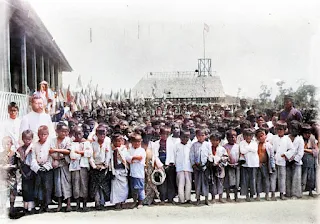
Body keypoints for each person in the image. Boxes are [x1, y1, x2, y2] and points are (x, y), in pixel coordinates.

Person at [49, 122, 72, 212]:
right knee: (58, 185)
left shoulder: (67, 140)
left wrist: (56, 150)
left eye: (66, 131)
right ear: (57, 131)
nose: (64, 133)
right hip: (56, 165)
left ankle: (68, 204)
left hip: (65, 165)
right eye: (62, 131)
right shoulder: (53, 140)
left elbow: (68, 151)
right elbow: (51, 152)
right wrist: (58, 155)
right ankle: (59, 204)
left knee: (67, 184)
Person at [69, 126, 93, 212]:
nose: (78, 136)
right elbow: (72, 156)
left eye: (79, 133)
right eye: (76, 134)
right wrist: (82, 154)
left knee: (84, 185)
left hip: (84, 166)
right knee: (76, 185)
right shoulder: (72, 144)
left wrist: (79, 153)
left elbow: (89, 153)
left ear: (83, 133)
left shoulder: (87, 143)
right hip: (75, 167)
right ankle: (77, 204)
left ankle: (85, 204)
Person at [30, 125, 53, 213]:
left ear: (47, 134)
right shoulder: (35, 145)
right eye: (40, 135)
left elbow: (51, 157)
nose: (42, 136)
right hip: (38, 169)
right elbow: (33, 158)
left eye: (44, 134)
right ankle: (40, 204)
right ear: (38, 135)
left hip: (47, 169)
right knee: (38, 187)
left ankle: (46, 205)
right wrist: (37, 167)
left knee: (47, 187)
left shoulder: (50, 143)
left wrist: (46, 166)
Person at [152, 126, 178, 205]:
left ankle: (170, 198)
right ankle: (162, 198)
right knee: (162, 183)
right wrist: (160, 165)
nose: (165, 136)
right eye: (163, 134)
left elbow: (173, 154)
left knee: (170, 182)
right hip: (161, 165)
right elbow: (155, 155)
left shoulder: (172, 143)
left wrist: (171, 163)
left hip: (170, 165)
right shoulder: (156, 144)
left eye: (167, 134)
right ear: (160, 134)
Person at [90, 124, 111, 210]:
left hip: (103, 167)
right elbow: (90, 156)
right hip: (95, 167)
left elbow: (108, 155)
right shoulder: (93, 144)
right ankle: (97, 202)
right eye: (100, 134)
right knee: (96, 186)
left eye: (104, 134)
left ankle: (102, 202)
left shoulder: (107, 143)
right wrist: (94, 166)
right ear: (97, 135)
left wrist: (105, 165)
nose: (102, 136)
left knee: (103, 185)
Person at [272, 121, 294, 200]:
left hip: (282, 160)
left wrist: (285, 154)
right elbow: (271, 148)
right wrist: (273, 155)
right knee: (273, 177)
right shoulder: (274, 138)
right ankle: (273, 194)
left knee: (282, 177)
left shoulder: (287, 139)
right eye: (278, 129)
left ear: (285, 130)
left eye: (281, 129)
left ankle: (282, 193)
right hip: (274, 160)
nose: (279, 131)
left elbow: (292, 149)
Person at [15, 130, 35, 214]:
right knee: (25, 189)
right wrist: (22, 172)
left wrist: (30, 147)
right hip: (24, 171)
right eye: (25, 139)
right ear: (22, 139)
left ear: (32, 139)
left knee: (32, 189)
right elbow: (20, 161)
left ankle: (31, 206)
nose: (27, 141)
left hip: (32, 171)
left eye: (29, 139)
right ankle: (25, 206)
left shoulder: (33, 148)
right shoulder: (20, 149)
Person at [190, 129, 211, 206]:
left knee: (206, 183)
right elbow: (191, 156)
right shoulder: (194, 145)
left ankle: (206, 199)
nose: (201, 137)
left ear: (205, 136)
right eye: (199, 136)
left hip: (205, 166)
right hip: (197, 167)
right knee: (197, 183)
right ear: (196, 136)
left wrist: (208, 163)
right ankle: (198, 199)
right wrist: (194, 165)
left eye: (203, 135)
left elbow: (210, 154)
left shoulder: (208, 144)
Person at [109, 133, 129, 210]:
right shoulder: (111, 149)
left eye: (119, 141)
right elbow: (110, 160)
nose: (117, 143)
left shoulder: (124, 149)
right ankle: (117, 202)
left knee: (123, 187)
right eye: (115, 141)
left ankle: (122, 202)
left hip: (123, 171)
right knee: (116, 188)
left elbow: (126, 158)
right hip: (115, 171)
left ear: (122, 141)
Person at [126, 134, 146, 209]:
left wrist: (133, 158)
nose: (137, 143)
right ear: (131, 142)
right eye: (135, 141)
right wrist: (134, 159)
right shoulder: (130, 150)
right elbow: (127, 158)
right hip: (132, 173)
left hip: (139, 173)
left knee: (140, 188)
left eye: (138, 141)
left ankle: (140, 202)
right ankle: (135, 201)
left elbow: (140, 158)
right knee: (133, 188)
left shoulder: (142, 150)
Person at [255, 128, 275, 201]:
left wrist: (273, 166)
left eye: (262, 135)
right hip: (258, 165)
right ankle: (258, 195)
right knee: (258, 180)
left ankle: (267, 194)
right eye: (259, 136)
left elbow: (272, 156)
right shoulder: (256, 145)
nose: (261, 137)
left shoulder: (269, 145)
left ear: (265, 136)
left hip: (266, 165)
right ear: (257, 138)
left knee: (266, 180)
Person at [208, 132, 228, 203]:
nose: (214, 142)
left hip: (220, 168)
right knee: (213, 182)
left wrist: (220, 161)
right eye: (213, 140)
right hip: (212, 168)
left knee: (220, 183)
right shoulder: (209, 148)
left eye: (216, 140)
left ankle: (220, 197)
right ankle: (213, 197)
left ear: (219, 141)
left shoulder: (222, 149)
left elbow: (225, 157)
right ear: (210, 140)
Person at [239, 128, 259, 202]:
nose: (248, 137)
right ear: (244, 136)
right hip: (245, 164)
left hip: (254, 163)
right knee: (245, 180)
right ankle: (246, 194)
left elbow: (254, 150)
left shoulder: (254, 143)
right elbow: (242, 151)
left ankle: (252, 194)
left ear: (252, 136)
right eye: (246, 135)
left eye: (250, 136)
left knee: (253, 179)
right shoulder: (241, 143)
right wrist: (249, 149)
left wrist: (247, 149)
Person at [174, 130, 193, 204]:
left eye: (187, 137)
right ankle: (181, 199)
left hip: (188, 167)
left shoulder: (190, 145)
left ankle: (188, 198)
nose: (185, 139)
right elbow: (174, 155)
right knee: (180, 184)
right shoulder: (177, 145)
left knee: (188, 183)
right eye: (183, 137)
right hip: (180, 167)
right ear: (180, 137)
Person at [286, 120, 304, 199]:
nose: (293, 130)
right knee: (288, 177)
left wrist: (294, 160)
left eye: (295, 129)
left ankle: (295, 194)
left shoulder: (300, 139)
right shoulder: (286, 138)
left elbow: (300, 152)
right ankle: (288, 193)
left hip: (296, 162)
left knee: (296, 178)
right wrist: (287, 158)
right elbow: (284, 149)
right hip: (287, 161)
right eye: (292, 128)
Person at [301, 123, 318, 197]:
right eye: (306, 133)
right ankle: (301, 191)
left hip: (310, 160)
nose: (307, 135)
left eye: (309, 133)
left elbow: (315, 151)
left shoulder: (312, 138)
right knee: (303, 176)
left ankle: (310, 191)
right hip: (302, 160)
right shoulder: (300, 138)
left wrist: (305, 149)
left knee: (311, 176)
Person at [223, 129, 240, 202]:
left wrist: (238, 163)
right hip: (228, 166)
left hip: (237, 166)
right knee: (227, 181)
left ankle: (236, 196)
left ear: (236, 137)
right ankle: (228, 195)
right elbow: (224, 157)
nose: (232, 139)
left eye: (233, 137)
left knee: (237, 181)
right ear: (227, 138)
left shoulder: (238, 146)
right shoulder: (225, 146)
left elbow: (240, 156)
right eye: (230, 137)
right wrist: (228, 163)